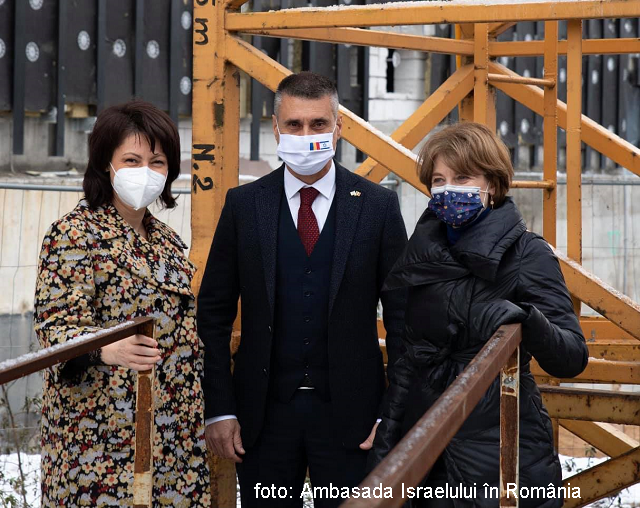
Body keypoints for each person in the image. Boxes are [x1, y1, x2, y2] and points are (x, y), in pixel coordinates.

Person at [197, 71, 408, 507]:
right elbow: (213, 314)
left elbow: (405, 319)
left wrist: (393, 411)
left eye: (318, 124)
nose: (306, 134)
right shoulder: (243, 205)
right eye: (294, 125)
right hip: (262, 417)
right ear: (276, 128)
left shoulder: (378, 207)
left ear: (338, 128)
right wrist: (220, 407)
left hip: (355, 418)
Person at [369, 122, 589, 507]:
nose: (449, 189)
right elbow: (409, 358)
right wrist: (387, 437)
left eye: (463, 176)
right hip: (427, 447)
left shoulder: (527, 253)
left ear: (492, 183)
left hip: (503, 456)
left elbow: (571, 356)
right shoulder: (421, 254)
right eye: (439, 179)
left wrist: (524, 318)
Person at [34, 100, 210, 507]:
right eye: (131, 160)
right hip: (102, 440)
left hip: (173, 435)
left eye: (157, 161)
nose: (145, 172)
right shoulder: (74, 233)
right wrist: (104, 347)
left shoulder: (165, 239)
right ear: (105, 164)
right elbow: (55, 326)